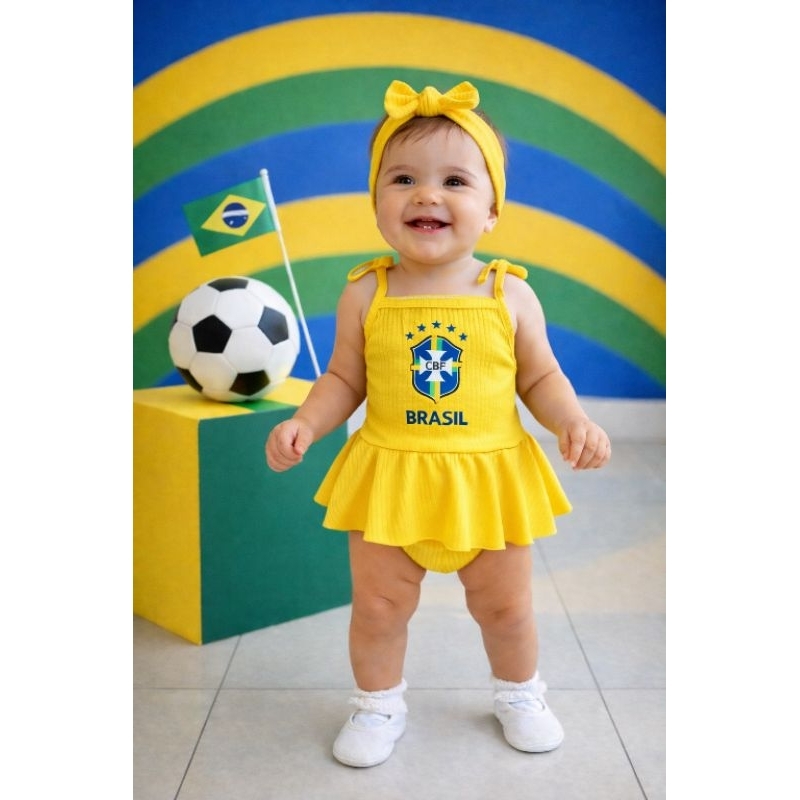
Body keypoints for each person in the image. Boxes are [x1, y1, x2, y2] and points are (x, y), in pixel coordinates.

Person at [265, 78, 611, 768]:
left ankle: (519, 694)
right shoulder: (366, 291)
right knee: (378, 608)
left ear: (492, 210)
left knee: (506, 608)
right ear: (376, 203)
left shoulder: (509, 292)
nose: (426, 195)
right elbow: (345, 378)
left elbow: (540, 377)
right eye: (403, 179)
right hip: (391, 475)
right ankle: (377, 703)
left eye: (454, 181)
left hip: (488, 478)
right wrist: (307, 419)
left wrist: (570, 419)